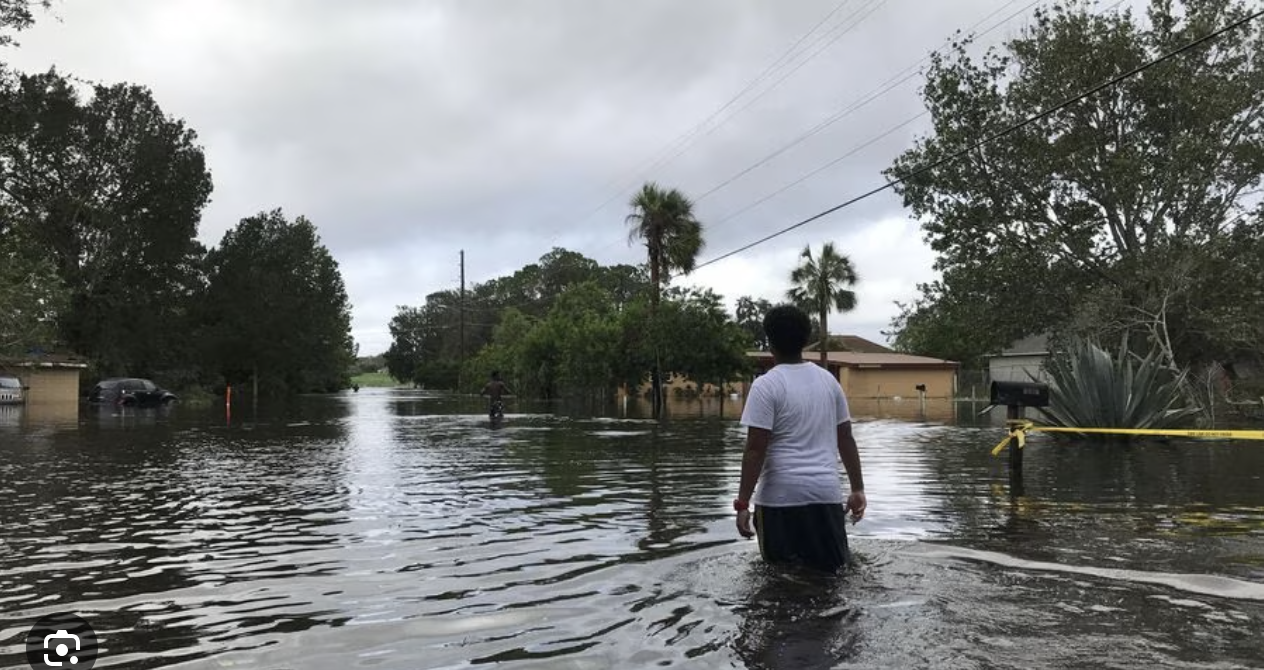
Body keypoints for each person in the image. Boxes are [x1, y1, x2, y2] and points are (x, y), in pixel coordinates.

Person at [734, 304, 867, 572]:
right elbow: (846, 439)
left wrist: (742, 503)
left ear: (770, 342)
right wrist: (857, 489)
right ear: (805, 340)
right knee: (832, 578)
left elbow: (755, 450)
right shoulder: (829, 381)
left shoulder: (765, 385)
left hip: (780, 501)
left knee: (779, 582)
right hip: (826, 496)